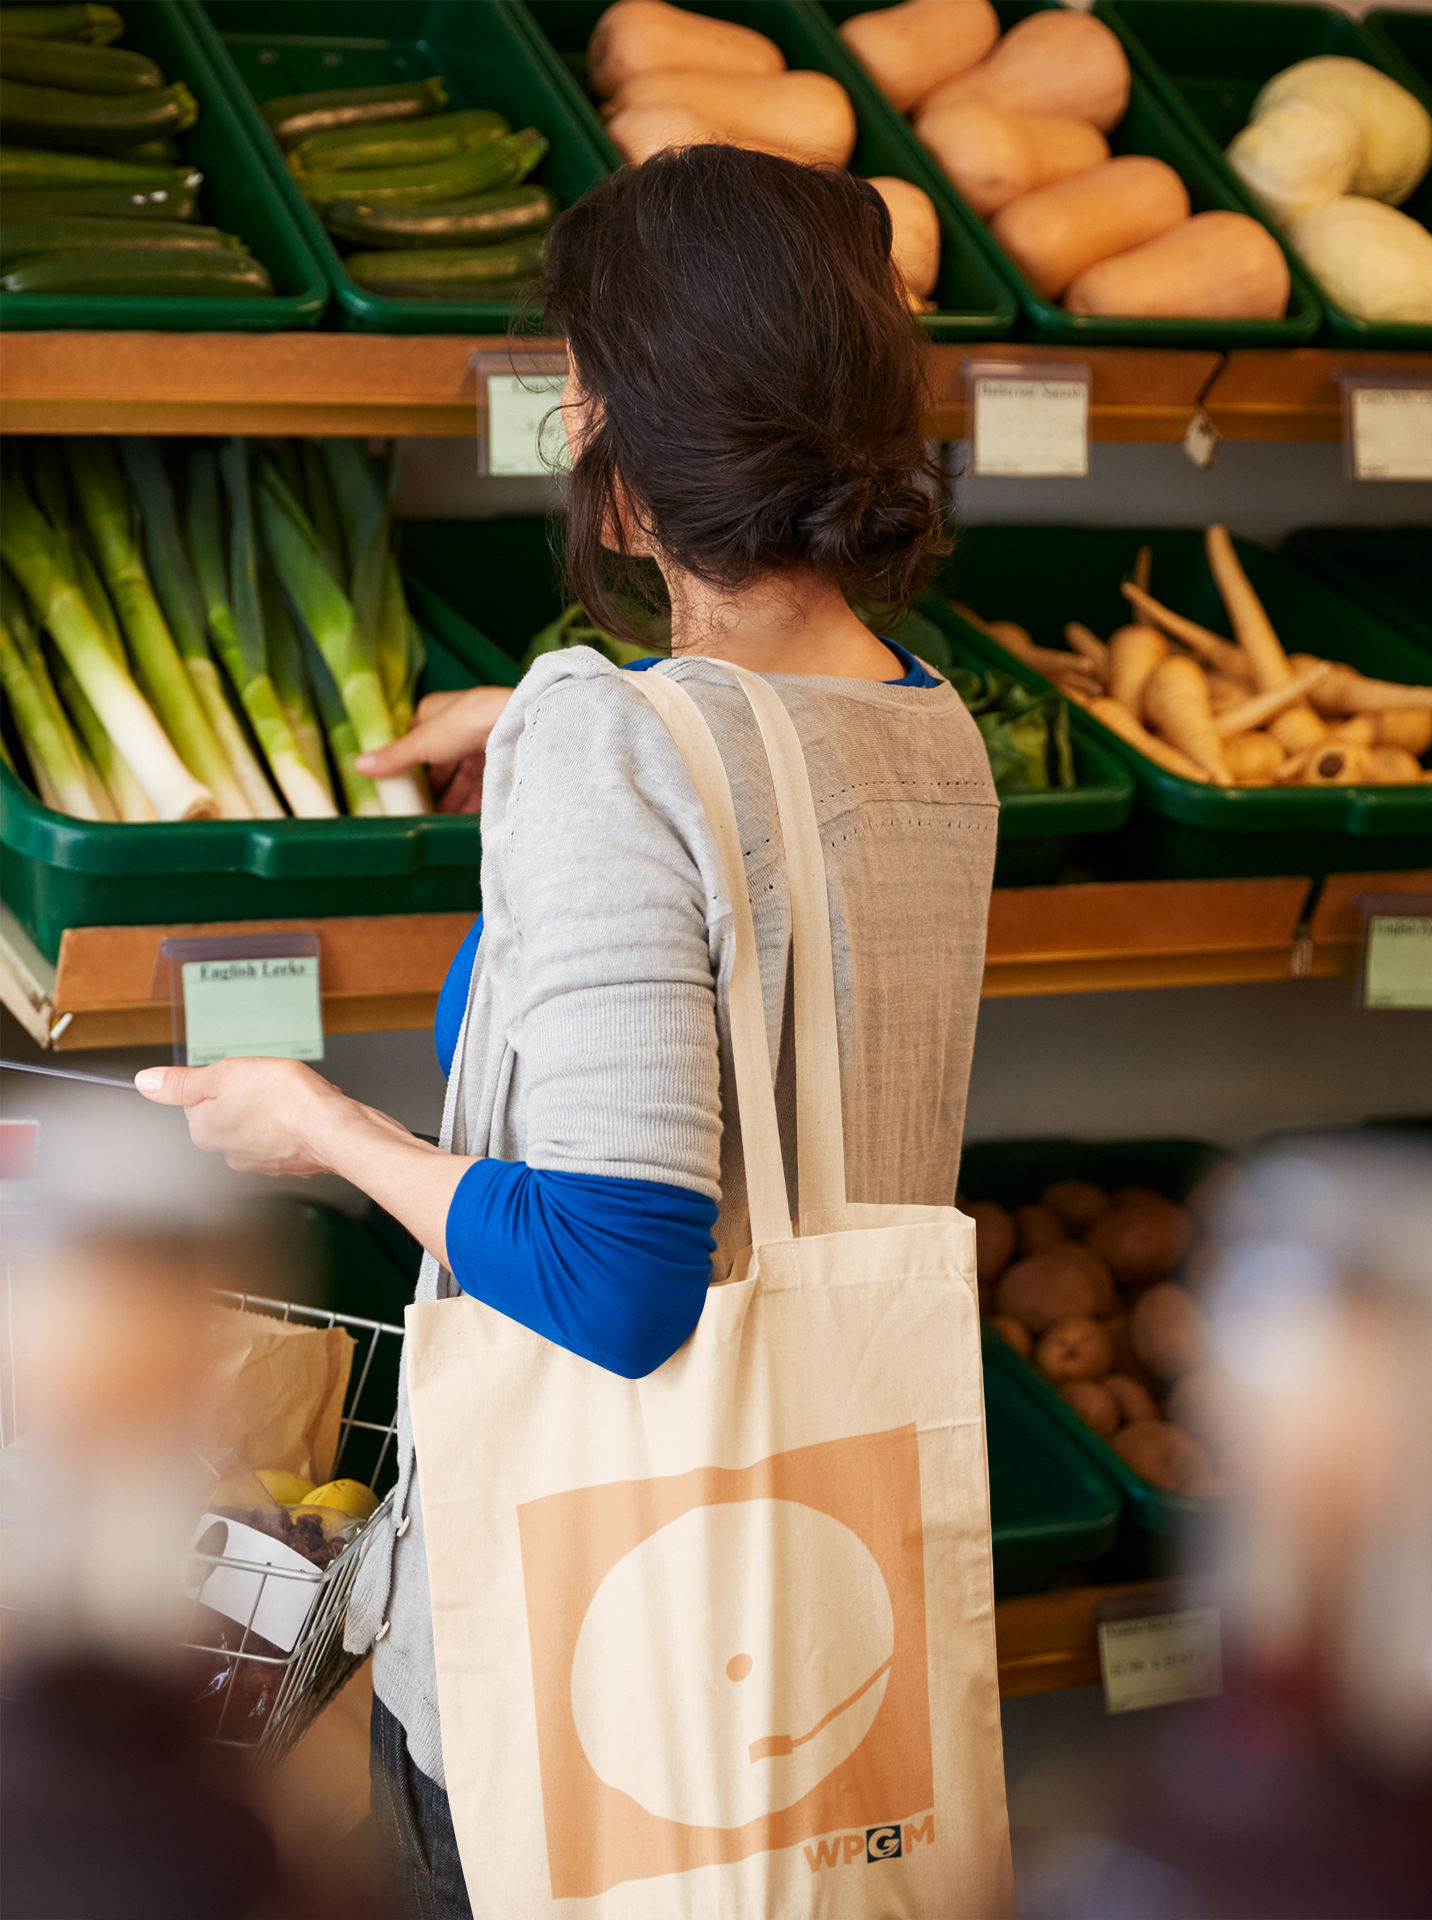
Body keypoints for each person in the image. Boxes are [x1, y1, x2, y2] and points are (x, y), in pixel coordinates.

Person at [137, 144, 999, 1919]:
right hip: (817, 1594)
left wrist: (323, 1131)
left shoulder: (602, 740)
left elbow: (618, 1276)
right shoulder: (937, 733)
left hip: (588, 1625)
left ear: (616, 435)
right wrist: (539, 836)